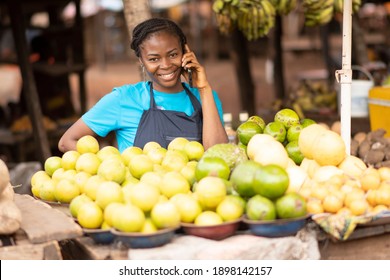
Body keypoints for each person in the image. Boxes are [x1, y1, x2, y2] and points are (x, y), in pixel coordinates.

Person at [58, 17, 228, 153]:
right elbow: (67, 142)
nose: (166, 65)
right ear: (141, 61)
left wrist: (204, 89)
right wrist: (112, 165)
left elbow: (218, 155)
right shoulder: (124, 99)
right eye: (154, 59)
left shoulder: (206, 98)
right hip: (141, 195)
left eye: (173, 54)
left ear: (186, 53)